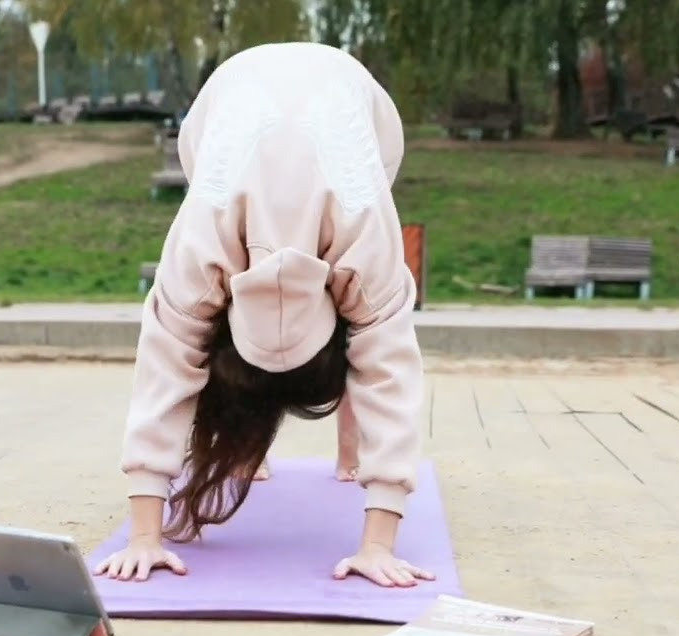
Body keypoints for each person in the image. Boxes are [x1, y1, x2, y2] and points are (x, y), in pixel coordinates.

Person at [93, 42, 432, 589]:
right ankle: (295, 448)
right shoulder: (201, 250)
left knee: (369, 330)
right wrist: (143, 537)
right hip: (227, 101)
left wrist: (379, 542)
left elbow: (386, 369)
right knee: (368, 327)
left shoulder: (365, 241)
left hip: (355, 100)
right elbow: (163, 371)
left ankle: (351, 450)